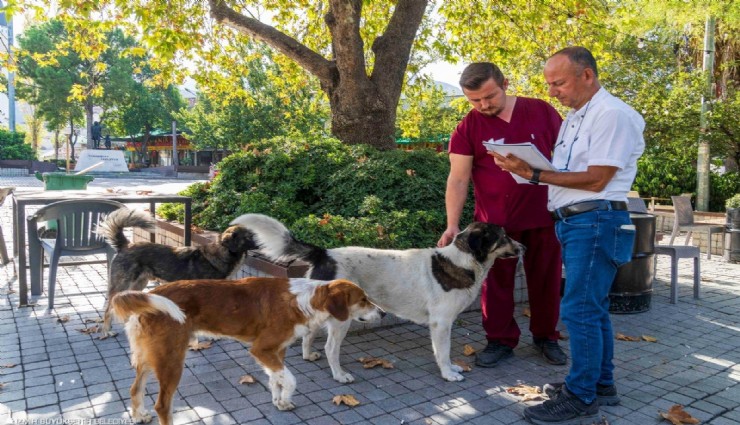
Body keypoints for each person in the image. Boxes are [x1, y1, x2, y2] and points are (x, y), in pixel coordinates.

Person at [491, 47, 645, 424]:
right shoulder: (578, 117)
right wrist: (527, 167)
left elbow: (597, 178)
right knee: (591, 309)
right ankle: (600, 384)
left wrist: (535, 175)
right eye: (549, 84)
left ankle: (580, 396)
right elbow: (572, 171)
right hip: (579, 222)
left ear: (587, 76)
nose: (553, 92)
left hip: (595, 222)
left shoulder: (611, 115)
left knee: (578, 310)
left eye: (558, 83)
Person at [437, 62, 567, 369]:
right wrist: (452, 224)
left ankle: (546, 337)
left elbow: (567, 158)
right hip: (493, 227)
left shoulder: (542, 111)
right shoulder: (468, 126)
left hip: (545, 216)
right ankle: (499, 340)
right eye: (475, 100)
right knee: (495, 283)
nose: (483, 105)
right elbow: (458, 179)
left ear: (504, 83)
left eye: (489, 97)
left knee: (547, 280)